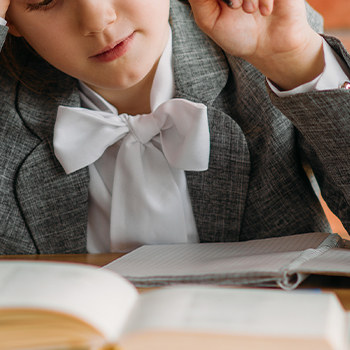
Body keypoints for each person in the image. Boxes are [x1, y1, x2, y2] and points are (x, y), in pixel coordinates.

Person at [0, 0, 349, 255]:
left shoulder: (265, 39)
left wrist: (296, 63)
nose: (98, 19)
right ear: (9, 17)